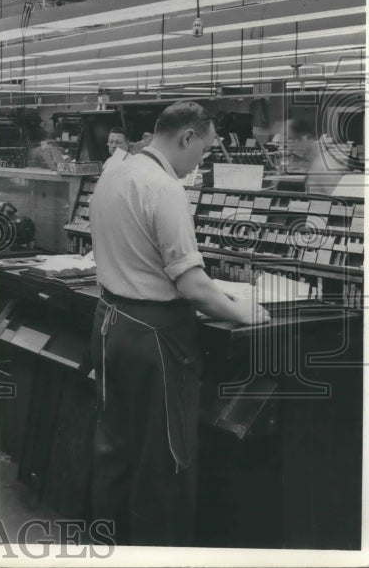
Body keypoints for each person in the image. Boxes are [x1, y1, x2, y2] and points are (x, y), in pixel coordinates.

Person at [89, 101, 270, 546]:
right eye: (204, 152)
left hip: (111, 324)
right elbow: (191, 285)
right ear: (187, 136)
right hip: (156, 338)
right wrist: (247, 312)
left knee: (115, 449)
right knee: (167, 459)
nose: (200, 163)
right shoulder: (163, 187)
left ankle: (104, 545)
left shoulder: (114, 172)